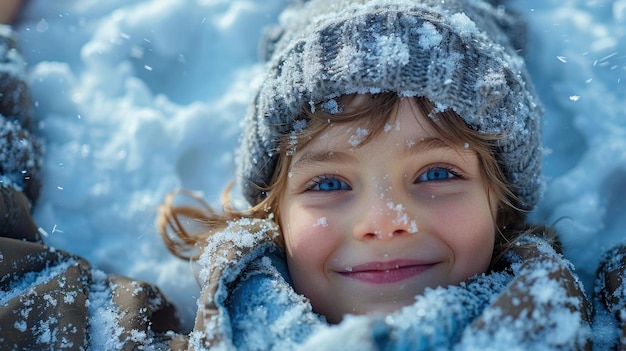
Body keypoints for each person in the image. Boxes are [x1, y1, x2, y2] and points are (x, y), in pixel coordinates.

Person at [155, 0, 610, 349]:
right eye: (330, 183)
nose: (384, 220)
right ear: (275, 212)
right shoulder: (119, 324)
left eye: (435, 174)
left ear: (501, 203)